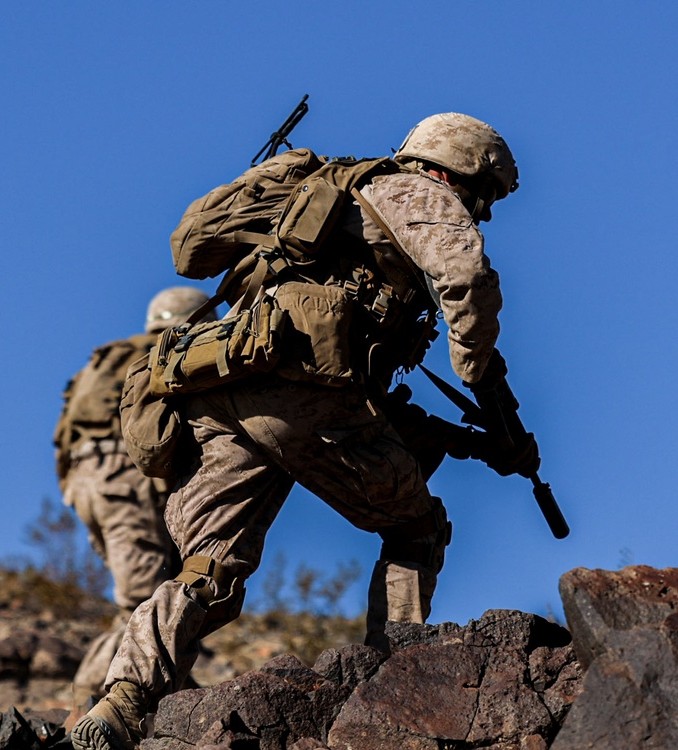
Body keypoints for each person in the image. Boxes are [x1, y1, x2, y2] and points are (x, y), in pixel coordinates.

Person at [71, 113, 540, 750]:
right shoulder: (420, 193)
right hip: (304, 399)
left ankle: (123, 701)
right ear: (461, 169)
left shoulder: (332, 201)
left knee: (209, 568)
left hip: (224, 388)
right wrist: (481, 376)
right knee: (416, 528)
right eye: (484, 196)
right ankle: (394, 677)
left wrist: (479, 443)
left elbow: (365, 397)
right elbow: (467, 281)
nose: (481, 212)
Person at [55, 286, 216, 726]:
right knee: (141, 602)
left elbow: (65, 439)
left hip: (87, 485)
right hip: (126, 482)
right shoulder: (172, 353)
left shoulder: (109, 359)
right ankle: (86, 709)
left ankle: (124, 701)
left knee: (139, 597)